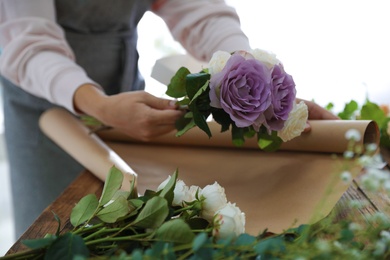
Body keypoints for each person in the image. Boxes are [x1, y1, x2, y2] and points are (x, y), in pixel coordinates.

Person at [0, 0, 338, 238]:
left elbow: (199, 11)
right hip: (43, 104)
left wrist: (255, 78)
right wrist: (99, 105)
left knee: (127, 223)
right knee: (53, 231)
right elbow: (30, 40)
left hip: (126, 97)